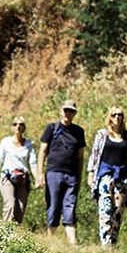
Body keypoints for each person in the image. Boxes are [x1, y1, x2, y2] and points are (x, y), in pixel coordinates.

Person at [87, 106, 127, 247]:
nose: (117, 117)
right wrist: (90, 173)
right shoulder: (102, 135)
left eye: (120, 115)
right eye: (114, 114)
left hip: (121, 177)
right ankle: (105, 244)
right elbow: (95, 154)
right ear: (109, 117)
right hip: (105, 176)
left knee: (118, 211)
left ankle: (113, 242)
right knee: (105, 209)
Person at [38, 99, 86, 244]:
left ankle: (72, 243)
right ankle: (51, 242)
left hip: (71, 175)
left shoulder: (79, 132)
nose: (68, 113)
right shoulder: (51, 128)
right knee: (53, 205)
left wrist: (79, 176)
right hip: (53, 172)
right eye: (66, 110)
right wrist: (39, 174)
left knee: (70, 206)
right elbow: (42, 151)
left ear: (74, 113)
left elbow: (80, 157)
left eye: (71, 111)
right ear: (61, 111)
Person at [0, 116, 40, 223]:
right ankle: (5, 232)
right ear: (12, 127)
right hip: (7, 178)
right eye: (15, 124)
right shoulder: (5, 142)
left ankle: (15, 234)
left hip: (22, 179)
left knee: (20, 208)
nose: (18, 126)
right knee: (10, 204)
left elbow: (33, 163)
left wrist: (37, 179)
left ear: (24, 128)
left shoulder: (29, 144)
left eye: (21, 124)